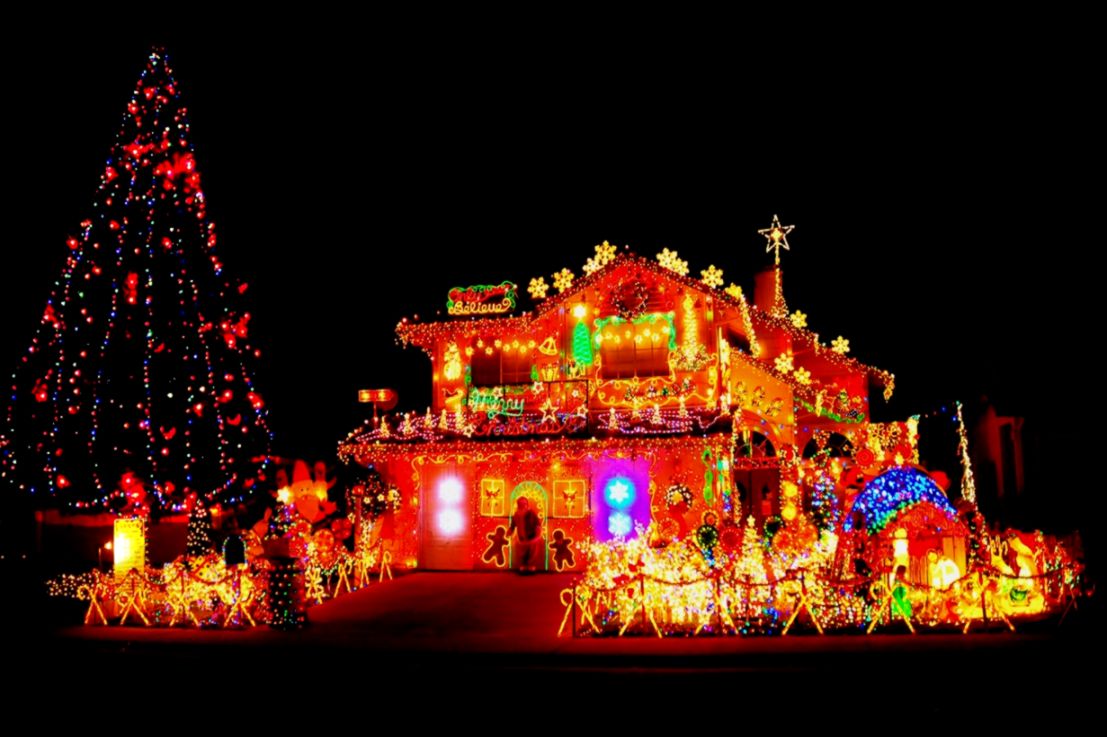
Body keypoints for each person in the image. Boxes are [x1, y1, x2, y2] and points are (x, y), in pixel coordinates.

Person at [508, 497, 541, 572]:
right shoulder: (516, 514)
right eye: (520, 504)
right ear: (518, 505)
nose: (522, 505)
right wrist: (510, 530)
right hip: (521, 536)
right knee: (522, 552)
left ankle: (531, 565)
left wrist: (538, 531)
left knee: (532, 551)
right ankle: (523, 565)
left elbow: (537, 523)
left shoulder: (531, 513)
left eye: (524, 503)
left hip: (531, 535)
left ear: (527, 504)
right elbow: (513, 524)